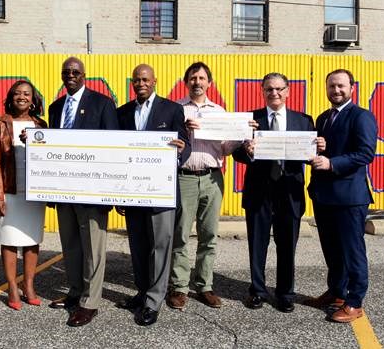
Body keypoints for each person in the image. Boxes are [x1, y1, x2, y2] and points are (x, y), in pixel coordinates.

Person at [232, 72, 317, 313]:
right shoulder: (251, 119)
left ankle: (285, 293)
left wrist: (317, 150)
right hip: (259, 191)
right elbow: (237, 154)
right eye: (269, 89)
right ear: (263, 91)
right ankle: (257, 291)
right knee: (257, 244)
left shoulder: (303, 121)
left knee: (287, 245)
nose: (275, 93)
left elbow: (311, 157)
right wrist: (247, 149)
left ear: (288, 91)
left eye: (279, 89)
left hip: (289, 192)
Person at [116, 64, 190, 326]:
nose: (141, 83)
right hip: (132, 193)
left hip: (161, 192)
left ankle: (153, 301)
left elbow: (185, 144)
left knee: (160, 246)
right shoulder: (122, 113)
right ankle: (142, 291)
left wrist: (181, 151)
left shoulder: (172, 109)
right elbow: (117, 155)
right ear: (132, 83)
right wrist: (118, 195)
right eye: (136, 80)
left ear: (154, 81)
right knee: (138, 247)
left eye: (145, 79)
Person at [47, 56, 119, 327]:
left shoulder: (101, 104)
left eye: (75, 72)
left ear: (84, 75)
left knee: (93, 249)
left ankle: (90, 302)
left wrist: (110, 192)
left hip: (92, 192)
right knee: (71, 246)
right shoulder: (56, 108)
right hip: (64, 191)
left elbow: (113, 149)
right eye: (66, 72)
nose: (71, 75)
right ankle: (76, 292)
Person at [167, 62, 240, 310]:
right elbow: (165, 142)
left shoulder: (219, 112)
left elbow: (227, 149)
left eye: (201, 78)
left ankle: (205, 285)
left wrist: (243, 136)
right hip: (184, 177)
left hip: (211, 177)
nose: (197, 82)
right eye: (192, 78)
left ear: (209, 82)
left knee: (209, 235)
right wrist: (180, 135)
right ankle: (179, 287)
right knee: (181, 234)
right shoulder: (175, 109)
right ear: (186, 82)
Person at [307, 69, 377, 323]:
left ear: (351, 88)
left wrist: (332, 162)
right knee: (332, 249)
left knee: (352, 251)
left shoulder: (361, 116)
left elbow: (365, 153)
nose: (335, 90)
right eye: (331, 86)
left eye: (340, 86)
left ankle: (355, 300)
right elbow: (321, 150)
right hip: (324, 196)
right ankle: (337, 292)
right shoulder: (324, 117)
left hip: (350, 196)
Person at [0, 80, 47, 311]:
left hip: (34, 194)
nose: (22, 97)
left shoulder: (41, 124)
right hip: (9, 193)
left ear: (33, 99)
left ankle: (29, 285)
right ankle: (12, 286)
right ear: (11, 97)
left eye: (27, 94)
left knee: (32, 241)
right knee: (10, 241)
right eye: (17, 93)